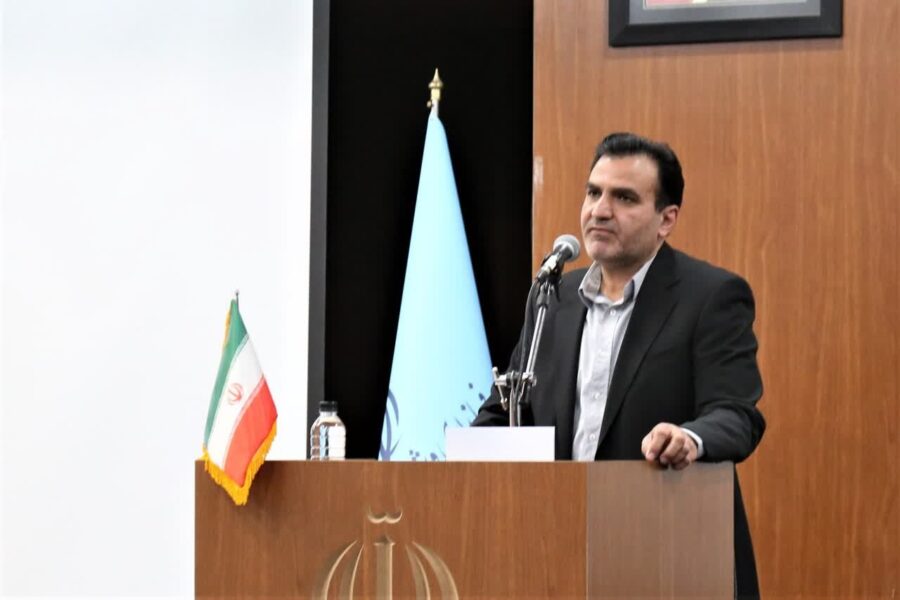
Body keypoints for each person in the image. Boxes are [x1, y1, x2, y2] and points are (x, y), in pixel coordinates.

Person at [472, 132, 766, 598]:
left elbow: (737, 415)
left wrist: (689, 438)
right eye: (593, 192)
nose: (600, 210)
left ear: (666, 219)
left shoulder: (711, 297)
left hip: (669, 550)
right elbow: (506, 411)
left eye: (624, 198)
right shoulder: (553, 299)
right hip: (556, 552)